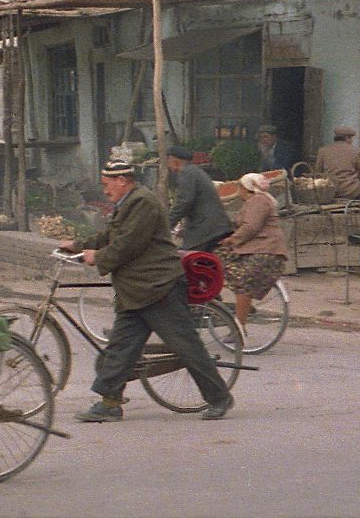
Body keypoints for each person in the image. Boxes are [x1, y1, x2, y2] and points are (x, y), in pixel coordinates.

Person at [62, 160, 235, 423]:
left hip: (159, 288)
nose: (105, 191)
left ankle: (220, 398)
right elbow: (110, 236)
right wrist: (78, 245)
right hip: (136, 291)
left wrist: (98, 257)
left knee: (186, 347)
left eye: (107, 185)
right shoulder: (128, 203)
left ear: (122, 181)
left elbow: (128, 244)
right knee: (120, 349)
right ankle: (109, 403)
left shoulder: (143, 202)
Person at [217, 173, 289, 326]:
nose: (238, 191)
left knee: (243, 283)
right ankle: (241, 307)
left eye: (240, 187)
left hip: (265, 252)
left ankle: (239, 326)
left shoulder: (259, 201)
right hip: (259, 250)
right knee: (221, 260)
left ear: (247, 188)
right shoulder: (256, 201)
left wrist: (231, 240)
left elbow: (250, 227)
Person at [165, 146, 231, 252]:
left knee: (191, 259)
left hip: (206, 230)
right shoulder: (195, 171)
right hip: (215, 226)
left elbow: (184, 202)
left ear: (173, 160)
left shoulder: (186, 173)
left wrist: (166, 224)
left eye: (167, 161)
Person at [313, 126, 360, 201]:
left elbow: (318, 171)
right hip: (348, 189)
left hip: (329, 189)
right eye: (351, 138)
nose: (351, 141)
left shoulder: (323, 150)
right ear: (347, 138)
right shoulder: (355, 151)